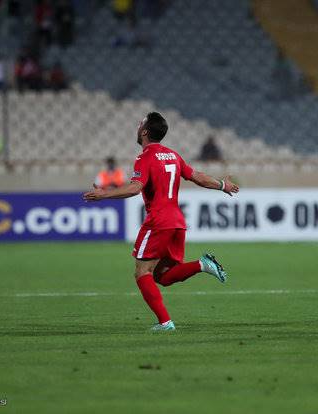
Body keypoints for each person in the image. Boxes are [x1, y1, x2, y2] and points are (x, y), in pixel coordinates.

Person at [84, 112, 240, 331]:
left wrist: (104, 194)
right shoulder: (172, 155)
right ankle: (203, 264)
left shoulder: (145, 157)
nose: (138, 126)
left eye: (141, 124)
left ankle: (165, 322)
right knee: (163, 276)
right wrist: (223, 185)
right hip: (176, 222)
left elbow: (135, 187)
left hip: (158, 221)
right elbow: (197, 176)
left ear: (145, 131)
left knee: (142, 272)